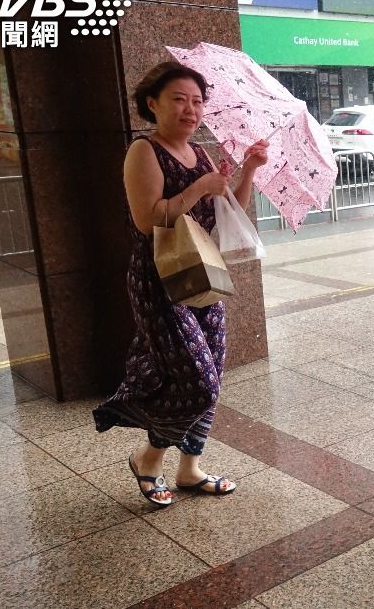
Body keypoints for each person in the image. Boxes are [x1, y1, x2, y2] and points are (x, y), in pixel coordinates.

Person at [92, 61, 268, 507]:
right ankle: (148, 458)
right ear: (153, 103)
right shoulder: (144, 151)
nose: (191, 109)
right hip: (160, 281)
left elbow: (229, 211)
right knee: (199, 381)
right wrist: (197, 188)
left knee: (214, 371)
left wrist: (247, 171)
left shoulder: (202, 154)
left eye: (197, 101)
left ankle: (190, 469)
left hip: (204, 277)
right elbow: (148, 219)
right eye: (179, 99)